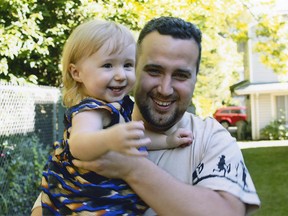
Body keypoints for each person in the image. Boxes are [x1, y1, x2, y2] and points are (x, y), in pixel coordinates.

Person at [32, 16, 260, 216]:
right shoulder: (96, 118)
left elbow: (228, 212)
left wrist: (132, 167)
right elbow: (50, 202)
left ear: (195, 80)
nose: (165, 88)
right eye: (154, 71)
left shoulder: (210, 138)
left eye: (180, 75)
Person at [39, 18, 193, 215]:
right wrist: (110, 139)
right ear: (76, 73)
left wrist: (167, 140)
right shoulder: (92, 110)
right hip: (86, 199)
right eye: (108, 65)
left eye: (128, 65)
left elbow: (135, 137)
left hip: (104, 196)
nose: (121, 75)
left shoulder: (121, 106)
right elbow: (78, 145)